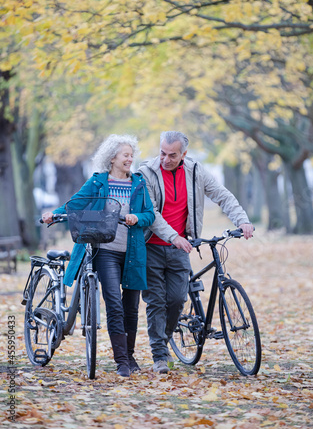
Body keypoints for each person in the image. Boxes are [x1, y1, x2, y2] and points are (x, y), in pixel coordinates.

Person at [138, 131, 254, 374]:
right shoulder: (146, 173)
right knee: (156, 301)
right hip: (151, 247)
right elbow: (152, 214)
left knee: (178, 299)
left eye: (172, 155)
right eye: (162, 153)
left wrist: (242, 220)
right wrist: (174, 237)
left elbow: (222, 195)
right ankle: (160, 355)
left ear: (183, 154)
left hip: (181, 247)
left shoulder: (195, 171)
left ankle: (164, 340)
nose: (165, 159)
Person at [42, 134, 155, 377]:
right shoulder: (97, 183)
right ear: (112, 157)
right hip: (106, 251)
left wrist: (138, 218)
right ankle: (121, 361)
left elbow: (149, 214)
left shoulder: (138, 183)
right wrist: (54, 213)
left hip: (133, 252)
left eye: (131, 155)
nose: (130, 159)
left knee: (131, 307)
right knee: (114, 303)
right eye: (125, 154)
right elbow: (75, 204)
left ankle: (131, 355)